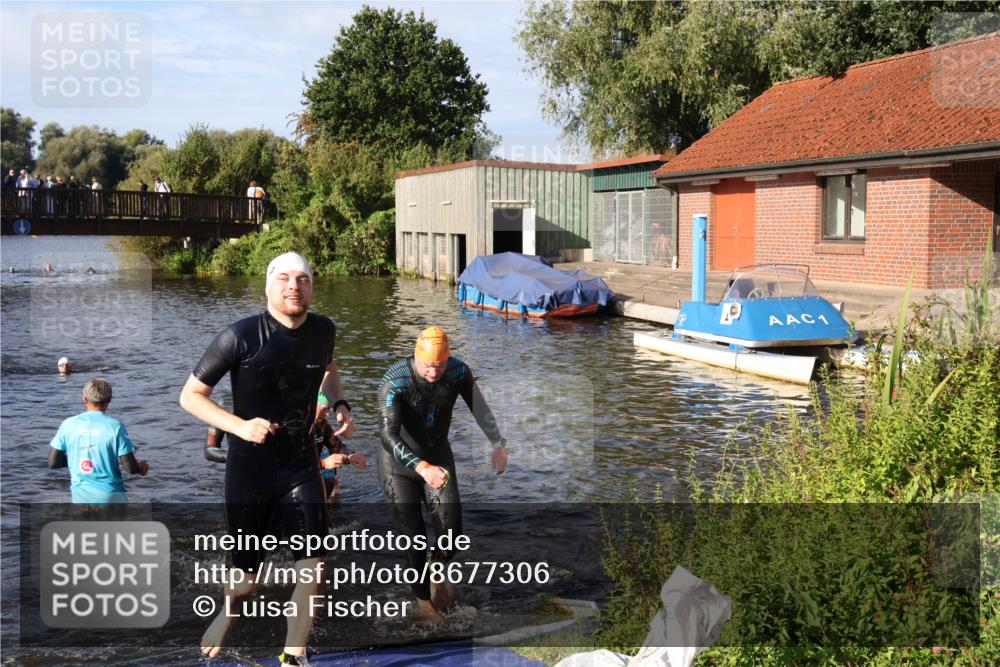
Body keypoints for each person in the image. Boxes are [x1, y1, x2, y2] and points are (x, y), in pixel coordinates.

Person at [179, 251, 355, 666]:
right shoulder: (239, 336)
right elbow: (190, 396)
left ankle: (293, 655)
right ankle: (228, 612)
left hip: (301, 464)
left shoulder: (324, 330)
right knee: (247, 581)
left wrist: (339, 401)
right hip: (250, 470)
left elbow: (329, 368)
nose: (294, 286)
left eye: (303, 279)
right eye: (284, 278)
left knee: (314, 568)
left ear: (312, 286)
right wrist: (239, 427)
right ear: (268, 286)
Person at [377, 326, 508, 623]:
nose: (434, 373)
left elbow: (479, 408)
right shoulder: (395, 379)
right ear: (416, 356)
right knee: (413, 537)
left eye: (439, 365)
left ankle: (436, 574)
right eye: (427, 366)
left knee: (452, 535)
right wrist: (421, 467)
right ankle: (424, 603)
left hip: (438, 458)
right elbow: (387, 434)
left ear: (448, 359)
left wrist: (498, 444)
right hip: (399, 465)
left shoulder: (458, 371)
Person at [47, 378, 149, 504]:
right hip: (111, 497)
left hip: (81, 499)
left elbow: (52, 462)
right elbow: (130, 468)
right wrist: (141, 468)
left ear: (85, 399)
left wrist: (78, 457)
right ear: (109, 399)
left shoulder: (68, 424)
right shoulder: (115, 426)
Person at [314, 392, 366, 503]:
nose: (328, 414)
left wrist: (350, 456)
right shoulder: (296, 427)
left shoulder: (321, 425)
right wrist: (323, 464)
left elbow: (336, 445)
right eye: (324, 408)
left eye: (330, 409)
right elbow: (290, 465)